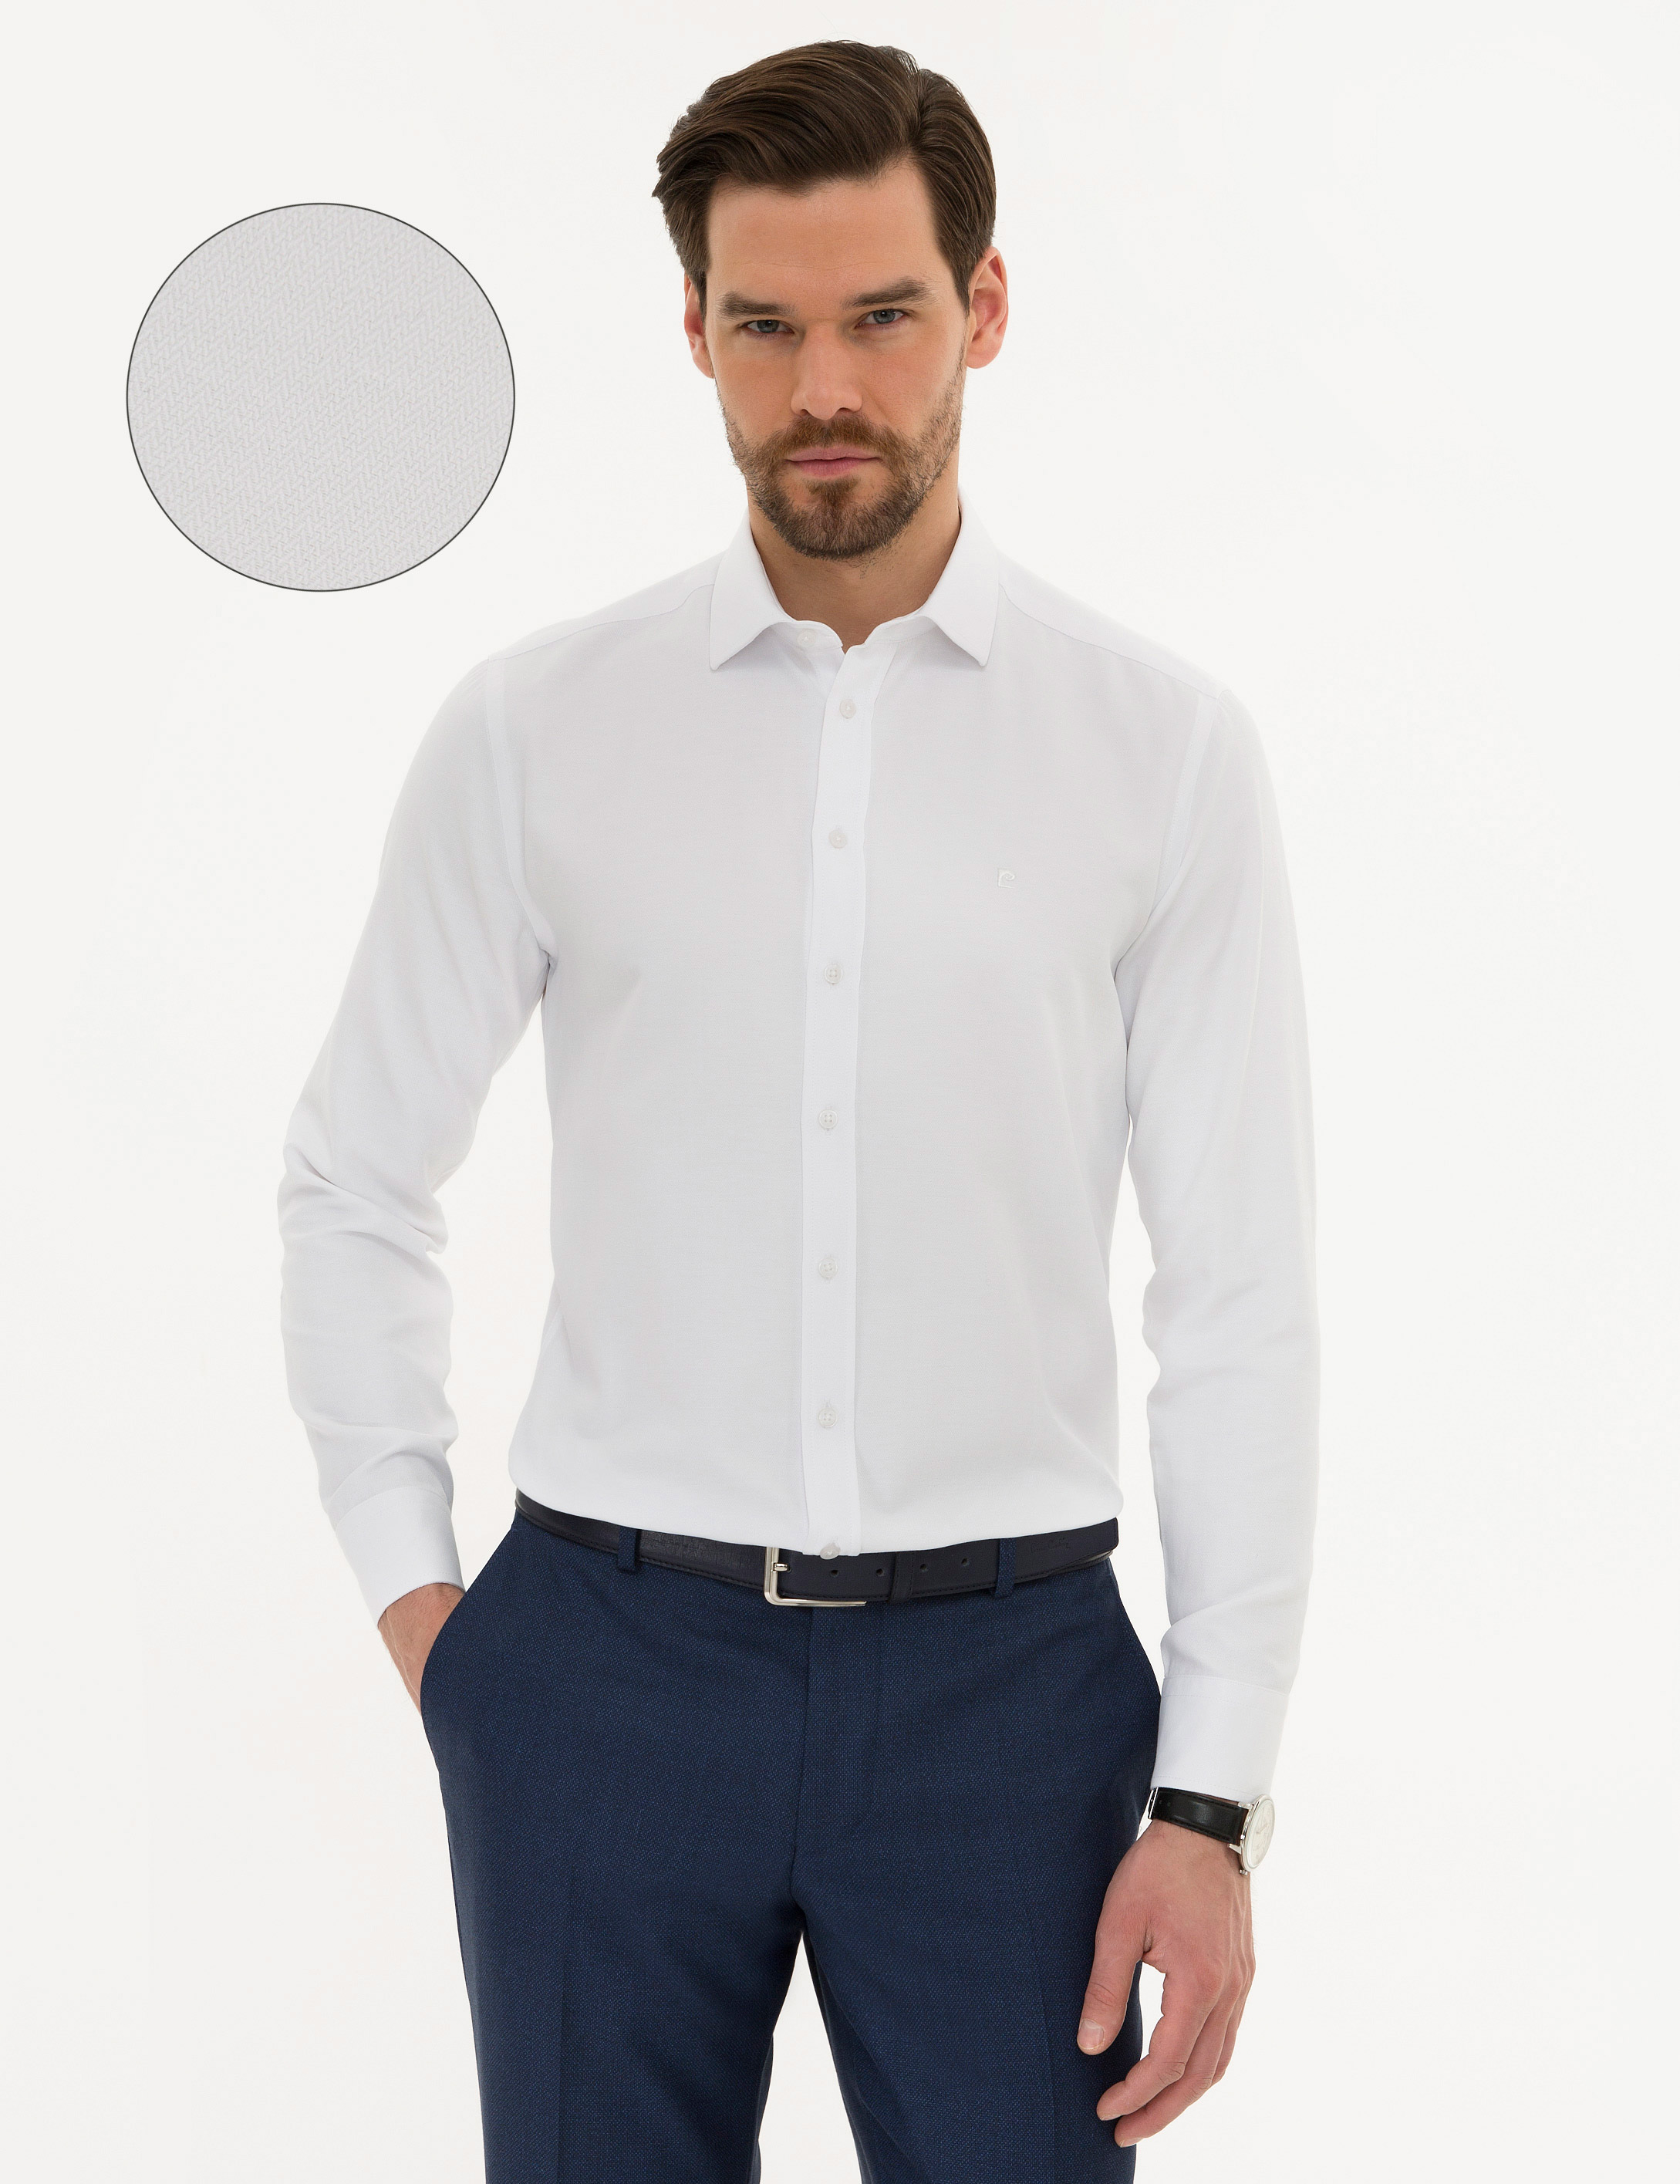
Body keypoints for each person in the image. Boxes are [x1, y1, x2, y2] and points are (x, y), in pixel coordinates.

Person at [278, 39, 1317, 2182]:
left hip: (1013, 1704)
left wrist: (1211, 1798)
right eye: (764, 325)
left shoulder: (1161, 753)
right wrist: (434, 1623)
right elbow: (354, 1175)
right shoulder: (536, 730)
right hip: (598, 1675)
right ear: (693, 329)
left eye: (882, 315)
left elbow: (1236, 1296)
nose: (824, 387)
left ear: (984, 308)